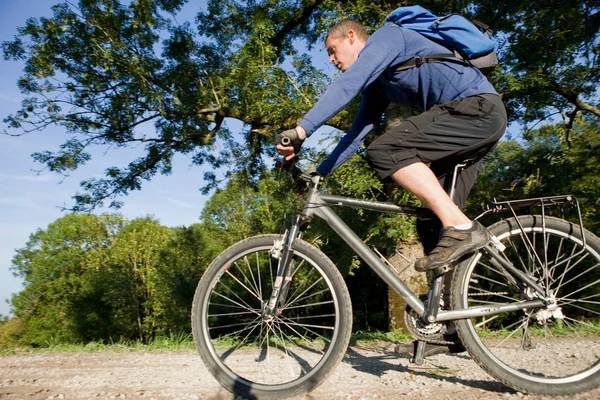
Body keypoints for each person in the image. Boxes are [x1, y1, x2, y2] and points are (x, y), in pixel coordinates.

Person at [275, 19, 506, 272]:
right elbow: (355, 134)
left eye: (332, 50)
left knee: (385, 150)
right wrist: (320, 173)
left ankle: (462, 227)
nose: (331, 60)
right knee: (431, 222)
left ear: (351, 36)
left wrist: (301, 130)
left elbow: (348, 84)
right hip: (469, 127)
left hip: (478, 110)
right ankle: (443, 305)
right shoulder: (378, 87)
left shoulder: (388, 38)